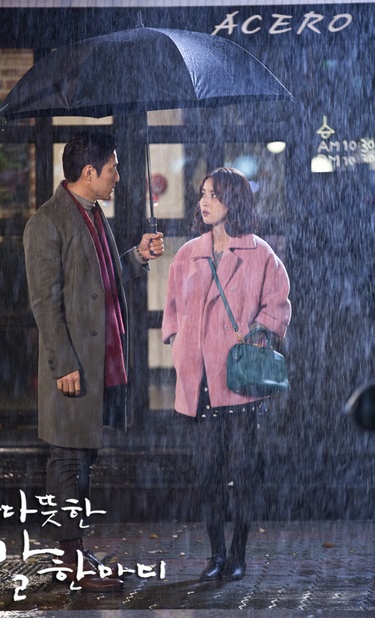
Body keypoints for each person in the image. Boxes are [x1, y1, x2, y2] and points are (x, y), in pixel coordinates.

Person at [23, 132, 164, 592]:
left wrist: (137, 256)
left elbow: (102, 278)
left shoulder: (93, 213)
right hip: (73, 365)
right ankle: (70, 561)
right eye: (112, 169)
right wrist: (64, 362)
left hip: (98, 361)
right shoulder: (47, 222)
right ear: (89, 173)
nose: (118, 177)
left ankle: (76, 552)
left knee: (82, 457)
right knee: (67, 459)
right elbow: (45, 303)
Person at [162, 167, 291, 582]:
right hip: (199, 380)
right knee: (208, 473)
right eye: (202, 194)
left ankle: (239, 554)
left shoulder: (260, 253)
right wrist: (177, 339)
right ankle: (216, 554)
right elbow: (172, 305)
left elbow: (278, 302)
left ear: (233, 201)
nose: (204, 202)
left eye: (214, 195)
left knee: (243, 472)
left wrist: (261, 331)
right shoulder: (188, 253)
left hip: (238, 381)